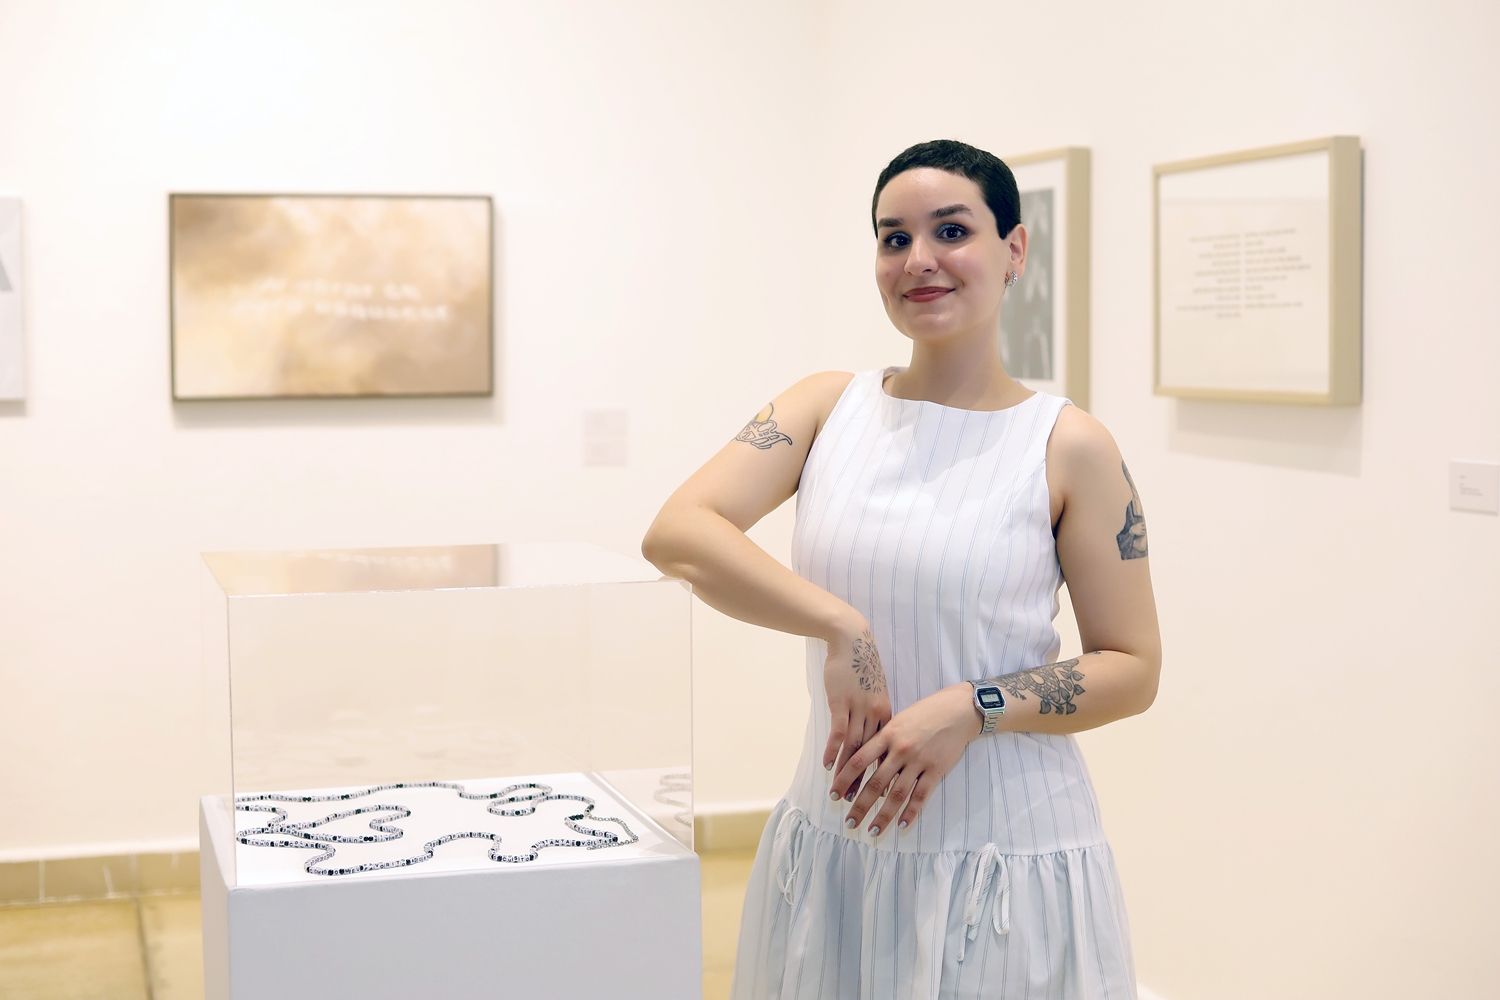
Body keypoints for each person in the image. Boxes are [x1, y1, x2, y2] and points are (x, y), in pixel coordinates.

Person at [642, 139, 1161, 999]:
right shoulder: (825, 406)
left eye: (951, 231)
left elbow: (1132, 668)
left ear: (1014, 250)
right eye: (894, 238)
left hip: (1002, 857)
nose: (919, 260)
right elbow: (678, 533)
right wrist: (839, 626)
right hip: (835, 840)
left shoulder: (1069, 445)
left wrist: (971, 707)